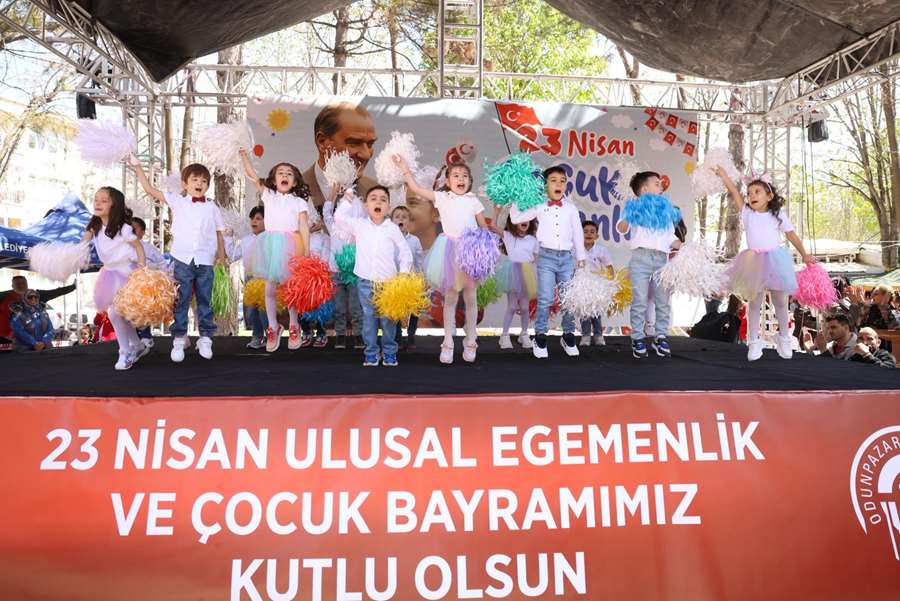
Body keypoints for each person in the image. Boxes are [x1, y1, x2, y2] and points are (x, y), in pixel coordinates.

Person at [396, 157, 489, 364]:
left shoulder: (473, 200)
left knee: (471, 297)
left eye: (464, 176)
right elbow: (416, 189)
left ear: (470, 181)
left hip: (470, 252)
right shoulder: (442, 198)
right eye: (456, 175)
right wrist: (404, 168)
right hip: (449, 252)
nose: (460, 179)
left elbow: (483, 226)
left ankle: (471, 340)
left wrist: (484, 249)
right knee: (451, 298)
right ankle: (448, 342)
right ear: (448, 181)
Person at [133, 157, 225, 362]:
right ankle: (179, 338)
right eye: (195, 180)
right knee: (181, 299)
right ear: (185, 184)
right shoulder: (178, 201)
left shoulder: (212, 208)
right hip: (182, 258)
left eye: (204, 181)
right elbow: (149, 189)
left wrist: (222, 257)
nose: (199, 184)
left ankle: (206, 338)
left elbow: (219, 233)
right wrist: (137, 166)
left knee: (205, 299)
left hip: (205, 260)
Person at [716, 168, 813, 361]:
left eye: (757, 192)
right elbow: (734, 191)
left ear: (769, 196)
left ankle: (783, 338)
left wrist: (805, 254)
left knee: (780, 301)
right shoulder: (747, 212)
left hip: (776, 261)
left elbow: (791, 235)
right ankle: (754, 341)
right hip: (753, 262)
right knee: (754, 303)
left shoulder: (778, 214)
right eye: (749, 193)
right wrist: (723, 174)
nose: (752, 196)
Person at [239, 150, 311, 353]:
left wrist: (306, 251)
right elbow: (253, 176)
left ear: (294, 182)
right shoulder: (268, 195)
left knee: (290, 288)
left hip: (291, 244)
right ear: (273, 180)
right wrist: (244, 157)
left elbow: (304, 226)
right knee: (269, 289)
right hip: (270, 244)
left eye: (289, 174)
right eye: (281, 173)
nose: (285, 176)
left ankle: (294, 324)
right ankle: (273, 326)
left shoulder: (299, 202)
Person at [510, 166, 585, 359]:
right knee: (545, 298)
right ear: (545, 185)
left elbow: (578, 233)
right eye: (553, 180)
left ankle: (568, 334)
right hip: (546, 257)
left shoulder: (571, 208)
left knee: (568, 299)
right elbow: (516, 218)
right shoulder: (539, 205)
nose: (558, 184)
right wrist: (517, 198)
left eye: (562, 181)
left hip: (566, 258)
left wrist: (581, 257)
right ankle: (540, 335)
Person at [335, 186, 413, 366]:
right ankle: (371, 352)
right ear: (366, 205)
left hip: (389, 282)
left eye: (383, 199)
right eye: (373, 198)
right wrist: (347, 200)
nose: (378, 202)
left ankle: (389, 351)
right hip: (365, 281)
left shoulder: (392, 228)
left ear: (388, 207)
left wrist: (403, 273)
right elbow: (339, 218)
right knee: (369, 317)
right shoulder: (359, 225)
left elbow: (405, 251)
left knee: (388, 319)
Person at [616, 171, 683, 359]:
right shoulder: (633, 207)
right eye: (656, 183)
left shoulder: (665, 211)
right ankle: (637, 337)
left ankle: (660, 336)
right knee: (639, 300)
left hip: (662, 259)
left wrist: (682, 246)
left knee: (663, 300)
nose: (661, 186)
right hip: (641, 258)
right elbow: (622, 228)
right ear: (645, 189)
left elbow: (670, 237)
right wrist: (628, 216)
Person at [82, 186, 146, 370]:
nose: (98, 203)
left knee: (115, 313)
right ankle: (137, 346)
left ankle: (125, 352)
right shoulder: (93, 226)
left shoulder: (123, 228)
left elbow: (138, 247)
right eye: (96, 199)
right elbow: (82, 244)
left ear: (114, 205)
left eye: (104, 200)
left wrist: (141, 269)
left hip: (127, 272)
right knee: (119, 314)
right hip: (109, 274)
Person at [303, 101, 378, 212]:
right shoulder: (288, 192)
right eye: (354, 143)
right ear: (322, 142)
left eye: (370, 144)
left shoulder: (375, 192)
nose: (366, 155)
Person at [323, 186, 364, 350]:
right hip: (336, 273)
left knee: (355, 307)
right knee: (339, 308)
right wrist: (332, 193)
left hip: (354, 273)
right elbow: (326, 212)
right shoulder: (333, 226)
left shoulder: (358, 229)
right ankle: (340, 335)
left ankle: (358, 335)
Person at [490, 211, 538, 350]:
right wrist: (496, 210)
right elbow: (493, 226)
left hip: (527, 274)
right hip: (512, 273)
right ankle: (504, 335)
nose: (524, 221)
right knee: (512, 306)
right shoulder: (508, 236)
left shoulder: (533, 239)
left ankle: (524, 333)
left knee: (524, 307)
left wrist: (531, 264)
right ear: (514, 222)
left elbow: (535, 256)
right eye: (520, 218)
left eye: (527, 219)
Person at [226, 206, 269, 349]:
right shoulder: (246, 240)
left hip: (266, 279)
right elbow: (232, 255)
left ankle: (271, 336)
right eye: (252, 219)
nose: (254, 221)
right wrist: (228, 237)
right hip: (250, 280)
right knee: (251, 312)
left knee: (264, 311)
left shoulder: (271, 238)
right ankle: (257, 336)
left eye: (258, 218)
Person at [130, 216, 170, 349]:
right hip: (128, 285)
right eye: (130, 228)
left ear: (142, 232)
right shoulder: (124, 247)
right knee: (130, 312)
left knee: (143, 310)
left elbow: (162, 262)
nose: (132, 230)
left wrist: (162, 278)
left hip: (145, 285)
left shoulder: (148, 248)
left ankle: (145, 336)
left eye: (135, 228)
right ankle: (135, 338)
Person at [0, 276, 75, 345]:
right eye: (18, 284)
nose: (21, 285)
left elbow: (57, 292)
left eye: (23, 283)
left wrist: (73, 286)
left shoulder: (36, 295)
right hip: (5, 337)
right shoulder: (4, 296)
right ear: (12, 285)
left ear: (27, 284)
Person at [391, 205, 424, 349]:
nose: (401, 219)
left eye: (404, 217)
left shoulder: (414, 240)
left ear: (409, 222)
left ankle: (411, 335)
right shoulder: (388, 240)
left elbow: (419, 261)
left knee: (415, 308)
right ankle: (397, 336)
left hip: (411, 281)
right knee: (396, 310)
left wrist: (421, 278)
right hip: (394, 281)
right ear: (391, 221)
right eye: (397, 217)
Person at [300, 201, 331, 348]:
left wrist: (318, 270)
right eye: (311, 219)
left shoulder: (325, 238)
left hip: (319, 277)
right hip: (303, 276)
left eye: (318, 219)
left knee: (320, 305)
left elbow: (326, 257)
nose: (314, 222)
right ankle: (306, 331)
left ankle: (321, 332)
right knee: (302, 304)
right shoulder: (301, 238)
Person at [580, 219, 613, 347]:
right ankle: (585, 335)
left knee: (596, 311)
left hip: (597, 284)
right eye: (585, 231)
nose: (588, 234)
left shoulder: (601, 250)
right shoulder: (576, 249)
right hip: (581, 283)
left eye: (592, 232)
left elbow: (609, 266)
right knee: (584, 310)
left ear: (597, 236)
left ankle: (598, 335)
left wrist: (611, 283)